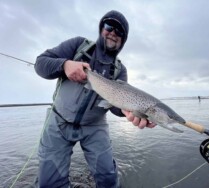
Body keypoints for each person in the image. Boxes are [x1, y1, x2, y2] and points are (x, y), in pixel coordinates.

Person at [35, 10, 155, 188]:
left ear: (124, 38)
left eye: (120, 31)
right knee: (49, 184)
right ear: (102, 28)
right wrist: (65, 64)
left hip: (95, 126)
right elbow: (40, 63)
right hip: (58, 120)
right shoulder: (77, 45)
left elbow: (115, 107)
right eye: (109, 26)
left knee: (108, 180)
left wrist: (126, 111)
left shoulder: (120, 70)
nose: (113, 33)